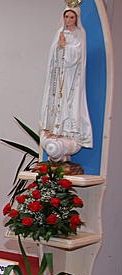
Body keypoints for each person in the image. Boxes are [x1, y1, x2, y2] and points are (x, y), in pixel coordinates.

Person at [39, 6, 92, 163]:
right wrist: (58, 47)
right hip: (59, 75)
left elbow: (77, 54)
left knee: (68, 102)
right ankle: (55, 129)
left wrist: (65, 47)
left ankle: (66, 130)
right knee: (57, 101)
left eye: (71, 17)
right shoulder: (60, 32)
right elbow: (53, 55)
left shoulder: (80, 34)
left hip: (71, 77)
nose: (68, 20)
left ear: (76, 19)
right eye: (66, 17)